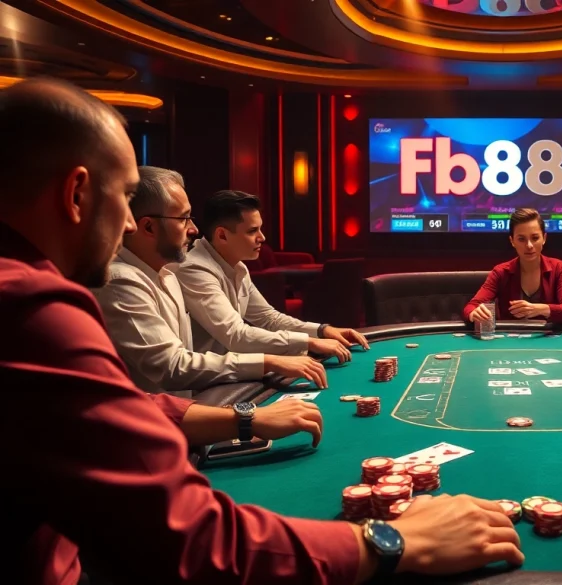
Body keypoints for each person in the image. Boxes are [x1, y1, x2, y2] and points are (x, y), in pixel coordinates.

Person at [0, 78, 523, 584]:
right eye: (125, 198)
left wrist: (244, 417)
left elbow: (122, 408)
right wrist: (389, 542)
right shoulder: (31, 308)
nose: (131, 222)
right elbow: (191, 542)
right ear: (76, 194)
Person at [92, 166, 330, 396]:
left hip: (187, 411)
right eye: (184, 218)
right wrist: (269, 362)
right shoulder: (120, 281)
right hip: (152, 427)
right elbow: (173, 366)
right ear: (148, 226)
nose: (194, 229)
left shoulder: (168, 274)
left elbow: (266, 317)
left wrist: (320, 331)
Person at [174, 190, 369, 364]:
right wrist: (310, 342)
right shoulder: (194, 269)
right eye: (252, 231)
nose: (262, 237)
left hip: (234, 372)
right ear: (222, 235)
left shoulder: (237, 266)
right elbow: (236, 335)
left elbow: (268, 318)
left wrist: (322, 330)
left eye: (260, 228)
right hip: (203, 387)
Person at [464, 207, 562, 324]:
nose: (529, 245)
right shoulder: (500, 272)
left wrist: (540, 309)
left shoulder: (560, 268)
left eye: (535, 238)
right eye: (521, 239)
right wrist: (474, 314)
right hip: (509, 339)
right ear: (512, 241)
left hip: (549, 339)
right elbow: (471, 307)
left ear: (544, 238)